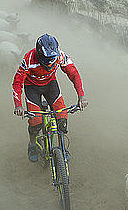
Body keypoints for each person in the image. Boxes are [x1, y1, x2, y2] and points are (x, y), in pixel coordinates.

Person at [12, 34, 88, 162]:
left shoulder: (60, 56)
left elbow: (74, 74)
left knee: (62, 118)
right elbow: (17, 82)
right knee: (36, 122)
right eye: (47, 59)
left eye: (53, 58)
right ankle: (32, 145)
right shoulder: (29, 59)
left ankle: (62, 147)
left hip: (50, 85)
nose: (50, 62)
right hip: (32, 87)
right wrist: (18, 105)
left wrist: (81, 96)